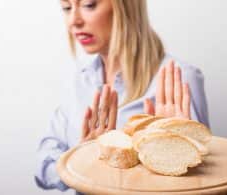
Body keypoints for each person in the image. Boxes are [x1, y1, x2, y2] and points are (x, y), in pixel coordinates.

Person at [35, 0, 209, 191]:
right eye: (66, 8)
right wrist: (81, 157)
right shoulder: (79, 79)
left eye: (88, 4)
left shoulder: (178, 78)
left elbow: (205, 184)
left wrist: (173, 156)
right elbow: (43, 168)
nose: (73, 21)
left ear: (126, 7)